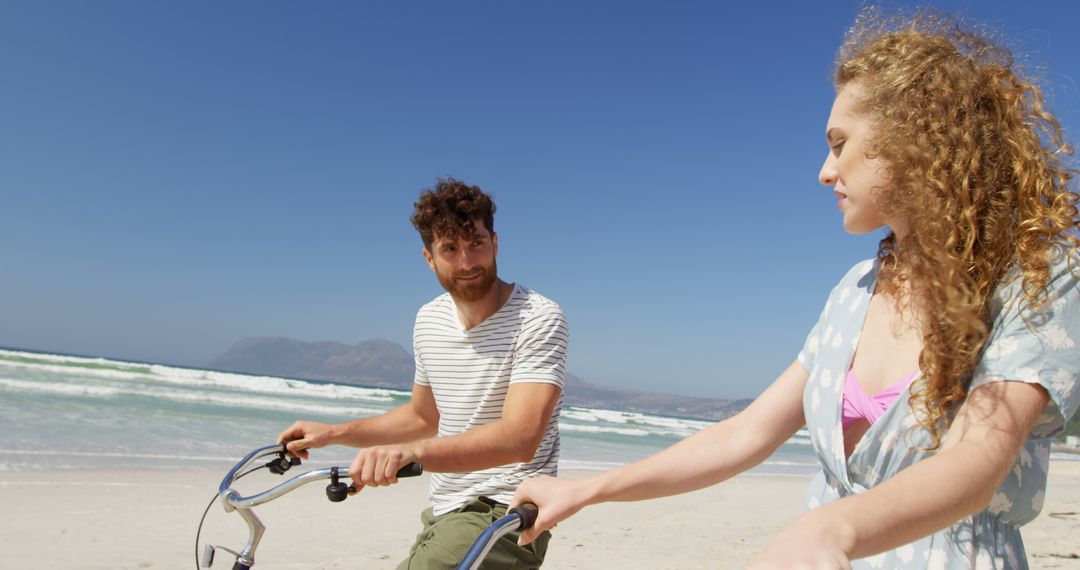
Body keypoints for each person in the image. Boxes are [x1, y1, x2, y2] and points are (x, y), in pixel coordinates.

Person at [511, 9, 1080, 569]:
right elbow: (747, 434)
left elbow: (977, 461)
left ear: (915, 140)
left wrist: (831, 529)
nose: (824, 171)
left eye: (839, 143)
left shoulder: (1036, 276)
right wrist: (589, 490)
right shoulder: (854, 290)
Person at [279, 178, 568, 569]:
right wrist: (334, 434)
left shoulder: (538, 317)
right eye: (450, 249)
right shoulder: (429, 320)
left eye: (476, 245)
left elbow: (521, 437)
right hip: (445, 509)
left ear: (495, 244)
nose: (466, 263)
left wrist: (411, 454)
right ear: (429, 258)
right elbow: (422, 417)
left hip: (506, 513)